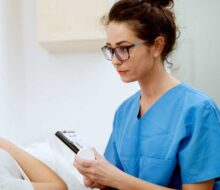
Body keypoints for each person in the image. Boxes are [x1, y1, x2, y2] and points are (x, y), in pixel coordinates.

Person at [73, 0, 220, 189]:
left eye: (124, 48)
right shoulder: (124, 112)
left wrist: (114, 178)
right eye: (111, 49)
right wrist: (99, 177)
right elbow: (116, 179)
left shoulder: (198, 110)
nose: (115, 60)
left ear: (157, 46)